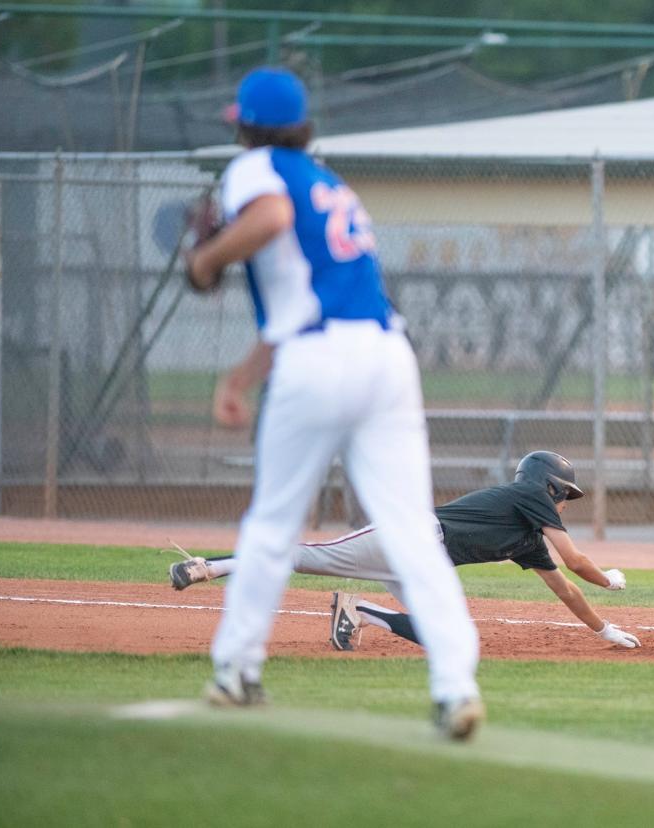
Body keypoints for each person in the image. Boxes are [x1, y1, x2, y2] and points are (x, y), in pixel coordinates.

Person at [184, 66, 482, 739]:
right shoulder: (328, 181)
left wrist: (205, 263)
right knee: (410, 531)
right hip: (384, 355)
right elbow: (307, 302)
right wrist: (239, 379)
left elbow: (269, 218)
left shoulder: (258, 168)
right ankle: (455, 684)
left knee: (273, 523)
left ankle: (237, 671)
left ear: (248, 127)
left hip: (320, 359)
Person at [168, 451, 641, 651]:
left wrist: (603, 630)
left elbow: (565, 590)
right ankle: (208, 566)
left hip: (423, 563)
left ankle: (357, 612)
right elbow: (576, 563)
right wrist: (610, 580)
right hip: (410, 535)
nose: (562, 502)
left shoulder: (527, 540)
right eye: (563, 493)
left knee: (450, 639)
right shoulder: (530, 497)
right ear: (546, 485)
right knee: (307, 556)